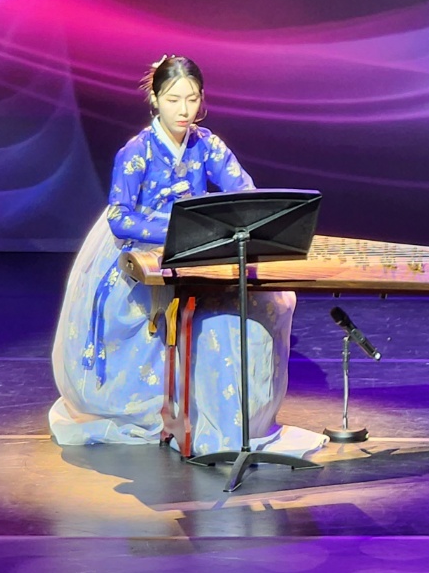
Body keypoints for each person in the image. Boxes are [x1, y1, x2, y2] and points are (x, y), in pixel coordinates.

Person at [48, 55, 325, 458]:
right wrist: (178, 228)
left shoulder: (207, 145)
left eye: (192, 99)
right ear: (155, 99)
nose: (184, 110)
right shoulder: (137, 151)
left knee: (269, 301)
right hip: (146, 252)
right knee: (175, 315)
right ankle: (174, 411)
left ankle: (235, 420)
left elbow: (245, 193)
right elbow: (120, 218)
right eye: (173, 99)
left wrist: (227, 222)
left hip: (197, 248)